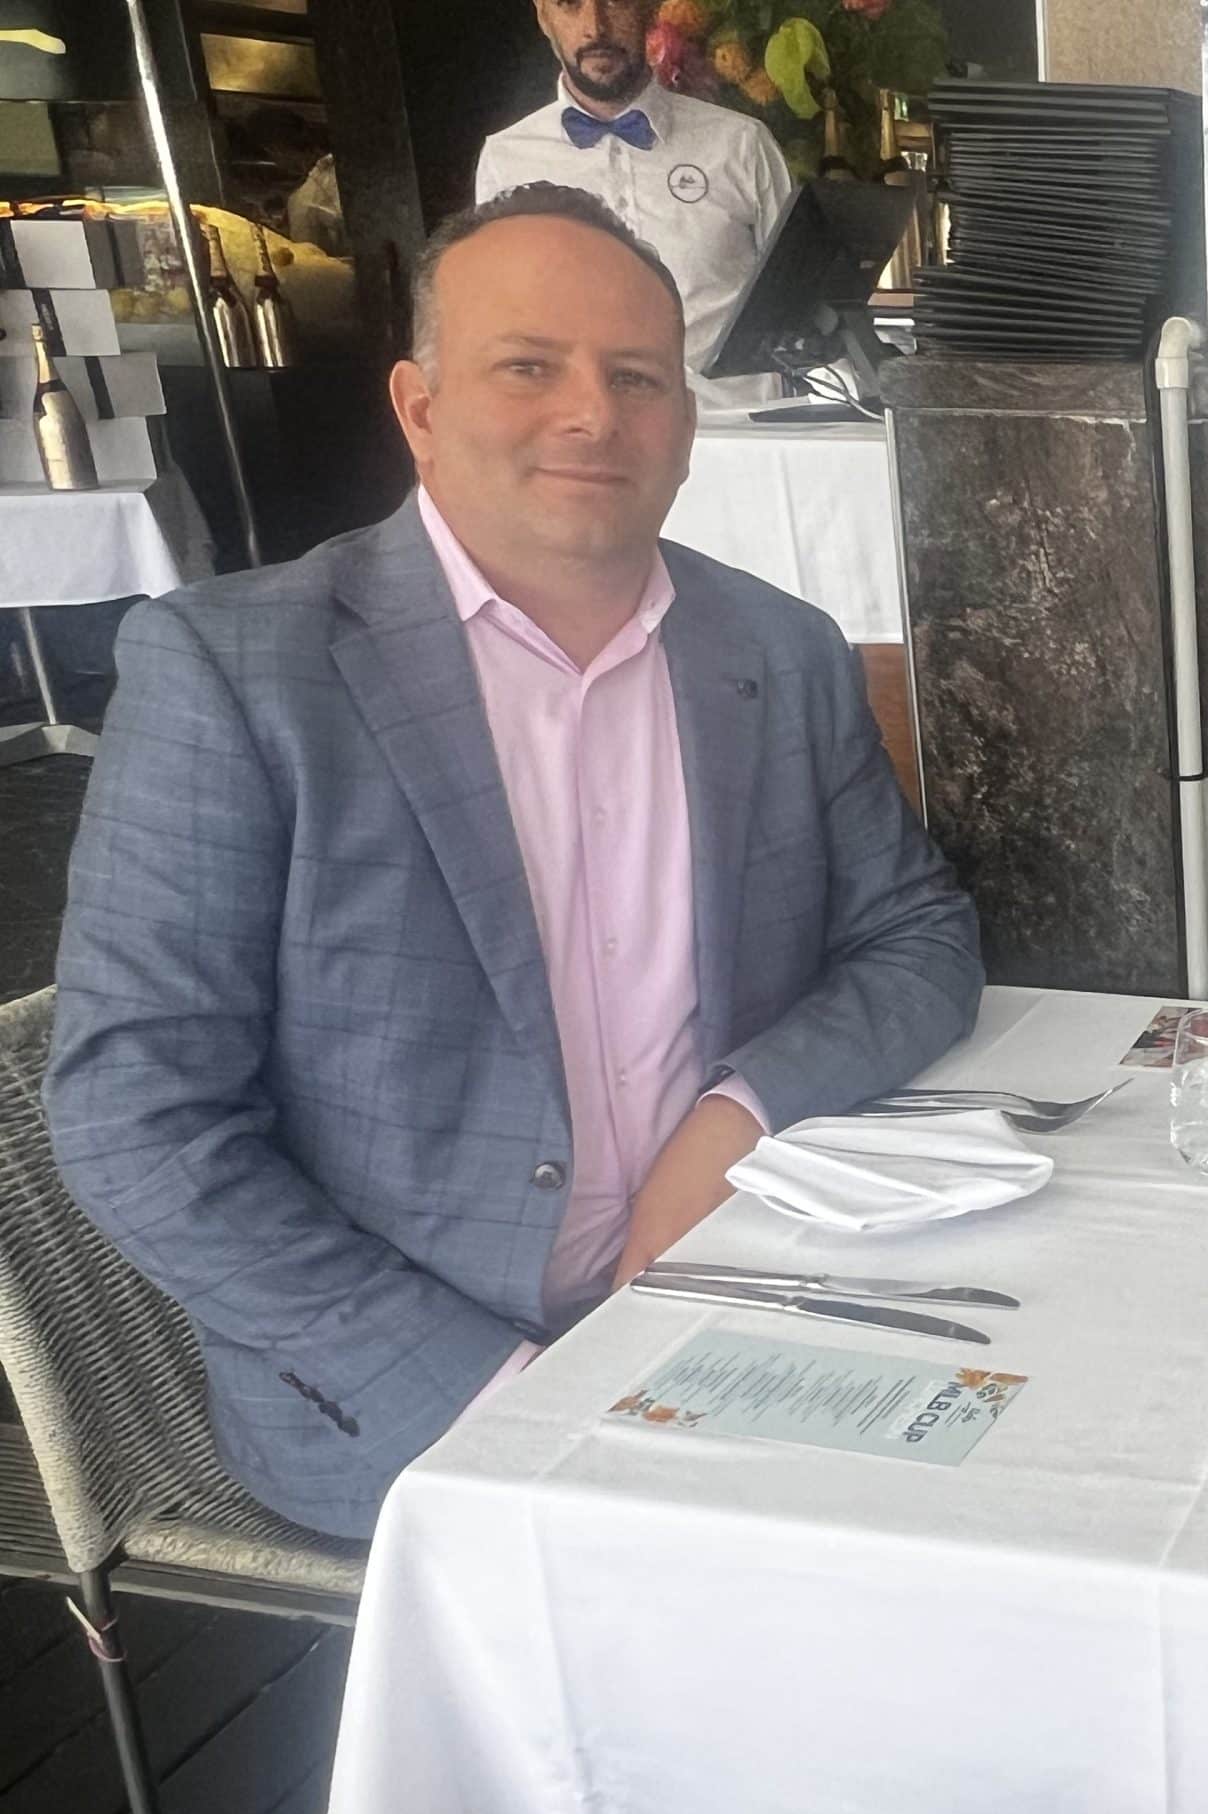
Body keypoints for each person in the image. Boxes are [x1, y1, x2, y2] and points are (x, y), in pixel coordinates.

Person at [47, 185, 982, 1537]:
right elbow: (139, 1120)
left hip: (737, 1289)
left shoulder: (776, 654)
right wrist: (491, 1393)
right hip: (418, 1386)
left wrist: (738, 1115)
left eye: (637, 378)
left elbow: (919, 938)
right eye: (529, 368)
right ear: (421, 409)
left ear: (683, 423)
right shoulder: (241, 675)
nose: (593, 416)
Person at [476, 0, 793, 406]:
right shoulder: (506, 161)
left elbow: (802, 306)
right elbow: (499, 322)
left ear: (650, 9)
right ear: (543, 17)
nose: (596, 27)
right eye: (570, 4)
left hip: (739, 434)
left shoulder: (741, 145)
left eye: (617, 2)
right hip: (582, 438)